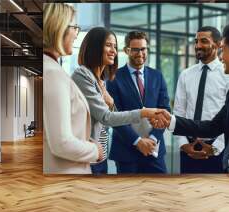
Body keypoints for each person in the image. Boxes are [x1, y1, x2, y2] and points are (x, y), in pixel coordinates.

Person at [155, 23, 229, 173]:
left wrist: (216, 148)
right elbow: (213, 126)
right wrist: (170, 121)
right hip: (199, 153)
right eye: (196, 41)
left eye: (223, 50)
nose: (222, 57)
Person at [71, 27, 168, 174]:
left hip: (101, 154)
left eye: (114, 47)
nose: (114, 51)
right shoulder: (91, 76)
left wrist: (153, 138)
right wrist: (143, 116)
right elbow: (108, 117)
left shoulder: (102, 79)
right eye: (108, 45)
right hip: (101, 153)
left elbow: (164, 110)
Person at [43, 3, 103, 174]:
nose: (77, 34)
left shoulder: (53, 69)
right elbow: (61, 142)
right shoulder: (53, 74)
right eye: (75, 27)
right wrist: (95, 150)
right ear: (59, 28)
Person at [173, 26, 229, 173]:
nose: (198, 45)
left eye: (204, 41)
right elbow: (179, 111)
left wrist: (215, 148)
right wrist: (183, 144)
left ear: (218, 44)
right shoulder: (186, 75)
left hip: (216, 152)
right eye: (196, 41)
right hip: (187, 150)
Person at [106, 31, 171, 174]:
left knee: (160, 193)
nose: (140, 53)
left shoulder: (157, 76)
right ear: (126, 50)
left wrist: (153, 139)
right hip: (126, 151)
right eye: (135, 49)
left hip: (155, 150)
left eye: (143, 49)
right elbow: (114, 115)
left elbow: (165, 110)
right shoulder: (114, 78)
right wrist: (138, 141)